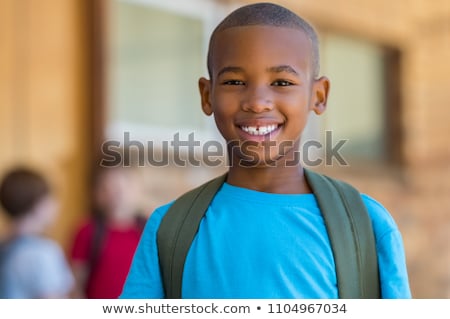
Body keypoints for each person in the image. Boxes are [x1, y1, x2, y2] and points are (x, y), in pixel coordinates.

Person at [120, 2, 411, 298]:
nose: (258, 102)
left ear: (318, 95)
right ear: (207, 96)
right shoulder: (170, 229)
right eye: (234, 81)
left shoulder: (365, 225)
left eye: (282, 82)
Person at [70, 166, 145, 299]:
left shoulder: (149, 230)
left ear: (137, 190)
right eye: (109, 188)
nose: (117, 195)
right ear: (98, 193)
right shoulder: (87, 231)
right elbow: (76, 284)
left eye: (123, 188)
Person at [0, 167, 74, 298]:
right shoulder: (44, 253)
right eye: (51, 199)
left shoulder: (5, 247)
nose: (56, 206)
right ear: (38, 204)